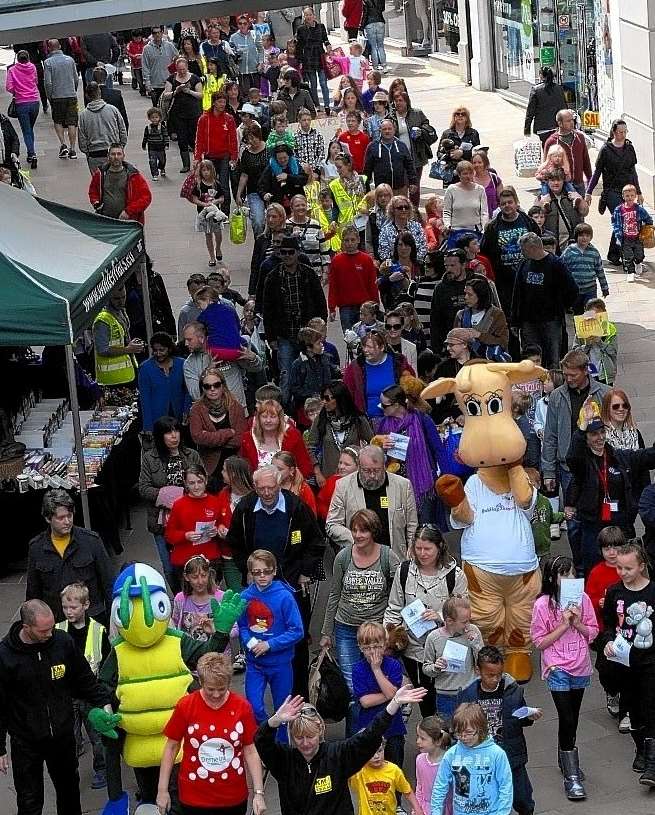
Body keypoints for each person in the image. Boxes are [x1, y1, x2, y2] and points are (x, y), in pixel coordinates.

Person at [0, 599, 115, 815]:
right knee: (29, 802)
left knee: (70, 795)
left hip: (62, 737)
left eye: (52, 627)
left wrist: (105, 703)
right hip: (26, 742)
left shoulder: (62, 642)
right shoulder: (5, 656)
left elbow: (84, 679)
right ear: (27, 628)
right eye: (44, 630)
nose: (50, 634)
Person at [226, 464, 324, 697]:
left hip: (291, 585)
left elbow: (316, 542)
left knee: (297, 641)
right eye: (262, 489)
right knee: (259, 632)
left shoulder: (296, 507)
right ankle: (265, 692)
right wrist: (247, 568)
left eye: (272, 488)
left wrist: (305, 571)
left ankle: (300, 698)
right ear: (255, 488)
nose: (267, 493)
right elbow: (235, 543)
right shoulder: (246, 508)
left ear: (280, 484)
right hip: (258, 586)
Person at [255, 687, 426, 815]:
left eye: (310, 737)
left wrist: (394, 704)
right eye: (299, 738)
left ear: (321, 730)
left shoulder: (337, 754)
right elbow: (261, 741)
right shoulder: (283, 760)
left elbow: (369, 736)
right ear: (291, 735)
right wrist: (275, 719)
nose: (306, 743)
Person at [320, 510, 401, 732]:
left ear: (373, 531)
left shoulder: (387, 556)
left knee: (379, 680)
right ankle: (354, 739)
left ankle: (380, 733)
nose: (357, 534)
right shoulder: (343, 557)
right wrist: (327, 632)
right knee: (352, 687)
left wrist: (393, 629)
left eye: (363, 530)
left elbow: (398, 592)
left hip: (376, 633)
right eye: (354, 529)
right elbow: (334, 594)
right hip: (346, 627)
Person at [157, 652, 265, 815]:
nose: (216, 695)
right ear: (200, 682)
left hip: (233, 797)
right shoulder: (185, 706)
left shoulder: (242, 707)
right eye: (210, 689)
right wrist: (162, 790)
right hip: (194, 797)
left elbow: (250, 750)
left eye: (222, 689)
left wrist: (259, 793)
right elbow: (171, 747)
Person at [530, 554, 598, 800]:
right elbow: (539, 641)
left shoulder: (584, 599)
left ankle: (565, 756)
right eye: (563, 574)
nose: (569, 579)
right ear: (552, 578)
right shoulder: (542, 605)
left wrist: (577, 623)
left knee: (573, 717)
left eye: (572, 574)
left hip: (580, 665)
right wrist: (563, 624)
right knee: (566, 716)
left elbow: (593, 632)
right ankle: (572, 776)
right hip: (556, 667)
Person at [384, 525, 468, 715]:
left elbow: (464, 614)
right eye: (418, 548)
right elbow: (395, 607)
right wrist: (388, 634)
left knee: (450, 702)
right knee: (426, 703)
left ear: (439, 547)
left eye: (427, 549)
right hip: (414, 651)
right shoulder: (404, 571)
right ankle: (432, 736)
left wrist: (439, 616)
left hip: (446, 651)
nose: (422, 553)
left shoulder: (455, 575)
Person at [541, 349, 611, 575]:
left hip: (598, 464)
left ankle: (600, 565)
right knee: (573, 523)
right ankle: (580, 567)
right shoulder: (557, 397)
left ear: (585, 371)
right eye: (565, 374)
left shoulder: (604, 393)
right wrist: (548, 471)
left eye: (572, 375)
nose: (568, 379)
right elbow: (550, 435)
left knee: (600, 517)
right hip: (568, 468)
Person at [565, 402, 655, 575]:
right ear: (586, 438)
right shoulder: (582, 463)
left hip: (621, 525)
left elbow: (645, 456)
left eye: (601, 432)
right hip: (594, 528)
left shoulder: (618, 457)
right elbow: (572, 457)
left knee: (626, 571)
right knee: (595, 572)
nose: (599, 437)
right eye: (593, 434)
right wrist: (581, 429)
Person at [456, 646, 541, 815]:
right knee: (488, 798)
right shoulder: (467, 693)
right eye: (490, 675)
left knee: (522, 796)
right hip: (481, 756)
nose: (495, 679)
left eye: (499, 674)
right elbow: (460, 723)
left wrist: (529, 717)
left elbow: (519, 715)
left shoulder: (513, 689)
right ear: (478, 671)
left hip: (511, 753)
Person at [599, 542, 655, 785]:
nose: (623, 573)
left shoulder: (653, 591)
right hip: (625, 661)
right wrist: (608, 640)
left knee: (650, 706)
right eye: (619, 568)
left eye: (628, 568)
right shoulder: (614, 592)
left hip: (651, 661)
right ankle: (640, 749)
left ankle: (652, 762)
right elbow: (609, 624)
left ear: (641, 566)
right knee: (632, 709)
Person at [238, 549, 303, 734]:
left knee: (283, 710)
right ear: (250, 573)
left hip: (281, 663)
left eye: (266, 571)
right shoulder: (245, 597)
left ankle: (281, 747)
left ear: (274, 571)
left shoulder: (285, 596)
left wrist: (270, 644)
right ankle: (266, 736)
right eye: (257, 572)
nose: (262, 576)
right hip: (255, 663)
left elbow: (297, 630)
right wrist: (251, 644)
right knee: (254, 706)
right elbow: (242, 626)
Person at [25, 489, 113, 625]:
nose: (67, 521)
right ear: (48, 518)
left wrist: (113, 619)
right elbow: (33, 592)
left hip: (91, 619)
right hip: (57, 622)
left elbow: (108, 583)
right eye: (61, 518)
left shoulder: (91, 541)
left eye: (70, 515)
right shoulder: (37, 548)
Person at [56, 582, 111, 789]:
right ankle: (69, 771)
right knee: (70, 737)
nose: (68, 612)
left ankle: (101, 769)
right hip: (66, 695)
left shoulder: (98, 631)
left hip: (91, 694)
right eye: (65, 607)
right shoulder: (58, 631)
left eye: (73, 607)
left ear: (86, 605)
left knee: (97, 738)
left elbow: (106, 663)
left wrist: (105, 693)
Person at [261, 235, 327, 405]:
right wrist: (271, 337)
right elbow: (267, 310)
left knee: (312, 370)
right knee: (286, 374)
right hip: (285, 335)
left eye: (291, 252)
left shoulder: (308, 273)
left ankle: (311, 407)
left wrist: (320, 329)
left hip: (308, 335)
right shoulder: (273, 277)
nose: (287, 255)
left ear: (298, 253)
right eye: (283, 252)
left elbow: (320, 301)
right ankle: (285, 409)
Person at [138, 416, 201, 593]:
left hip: (189, 521)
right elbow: (143, 488)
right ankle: (179, 598)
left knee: (192, 566)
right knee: (169, 568)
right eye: (168, 432)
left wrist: (184, 498)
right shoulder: (150, 458)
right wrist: (167, 495)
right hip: (161, 523)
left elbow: (204, 482)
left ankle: (193, 598)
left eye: (176, 430)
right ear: (160, 436)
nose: (174, 436)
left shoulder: (192, 455)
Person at [326, 444, 418, 557]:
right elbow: (332, 524)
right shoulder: (343, 486)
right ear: (359, 467)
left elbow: (412, 526)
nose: (373, 475)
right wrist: (356, 538)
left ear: (384, 466)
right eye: (367, 471)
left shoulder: (403, 485)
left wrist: (411, 554)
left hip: (395, 558)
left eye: (377, 470)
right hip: (359, 559)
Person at [431, 703, 513, 815]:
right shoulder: (451, 754)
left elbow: (506, 787)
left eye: (469, 733)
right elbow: (440, 787)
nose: (464, 737)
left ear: (481, 729)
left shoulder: (497, 754)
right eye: (459, 733)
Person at [511, 232, 578, 369]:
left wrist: (561, 307)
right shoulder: (524, 264)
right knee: (530, 357)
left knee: (553, 357)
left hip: (551, 320)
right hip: (528, 321)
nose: (521, 253)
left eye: (523, 250)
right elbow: (517, 293)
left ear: (532, 248)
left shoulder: (555, 264)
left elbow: (572, 289)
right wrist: (515, 320)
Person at [377, 383, 443, 516]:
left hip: (423, 483)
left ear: (396, 405)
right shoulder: (383, 424)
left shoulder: (422, 419)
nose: (380, 407)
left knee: (426, 526)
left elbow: (438, 449)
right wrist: (381, 448)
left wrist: (443, 476)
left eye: (384, 405)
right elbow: (377, 454)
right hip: (396, 485)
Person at [586, 119, 641, 264]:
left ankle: (614, 252)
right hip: (611, 191)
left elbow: (633, 172)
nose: (623, 135)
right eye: (620, 132)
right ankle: (624, 253)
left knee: (624, 221)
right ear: (614, 132)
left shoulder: (629, 148)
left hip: (627, 191)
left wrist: (639, 192)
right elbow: (597, 172)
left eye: (625, 131)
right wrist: (589, 191)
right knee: (622, 218)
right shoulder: (606, 149)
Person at [480, 186, 540, 317]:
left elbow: (539, 244)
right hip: (504, 281)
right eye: (503, 203)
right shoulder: (492, 227)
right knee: (509, 315)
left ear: (516, 202)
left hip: (528, 276)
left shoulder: (527, 221)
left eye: (510, 202)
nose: (507, 206)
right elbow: (484, 252)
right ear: (499, 206)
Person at [423, 596, 484, 721]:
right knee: (449, 734)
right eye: (464, 622)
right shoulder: (434, 638)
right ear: (449, 621)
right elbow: (426, 668)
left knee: (471, 731)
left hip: (469, 691)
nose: (467, 625)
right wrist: (436, 667)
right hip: (445, 695)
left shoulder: (473, 631)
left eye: (469, 620)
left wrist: (476, 645)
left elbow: (483, 662)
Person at [164, 464, 225, 579]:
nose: (196, 487)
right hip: (185, 559)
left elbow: (221, 524)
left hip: (209, 557)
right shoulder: (179, 505)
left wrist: (216, 530)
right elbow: (169, 535)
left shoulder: (216, 502)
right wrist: (185, 535)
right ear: (186, 484)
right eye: (192, 483)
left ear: (206, 481)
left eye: (200, 481)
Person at [189, 366, 247, 486]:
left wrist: (210, 439)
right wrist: (228, 433)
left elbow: (239, 440)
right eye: (207, 386)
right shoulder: (196, 410)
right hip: (209, 466)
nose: (212, 389)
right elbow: (198, 438)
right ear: (202, 388)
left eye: (216, 385)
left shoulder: (236, 407)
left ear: (223, 385)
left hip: (234, 464)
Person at [342, 332, 414, 419]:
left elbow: (412, 387)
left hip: (397, 419)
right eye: (364, 346)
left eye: (370, 347)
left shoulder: (399, 362)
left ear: (382, 347)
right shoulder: (355, 367)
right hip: (368, 422)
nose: (365, 350)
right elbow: (345, 395)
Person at [350, 733, 421, 815]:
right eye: (371, 752)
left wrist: (417, 808)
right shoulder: (359, 771)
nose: (376, 756)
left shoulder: (394, 770)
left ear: (384, 747)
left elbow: (407, 791)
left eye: (379, 750)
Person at [240, 398, 313, 477]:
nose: (268, 420)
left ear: (280, 418)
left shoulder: (293, 435)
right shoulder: (247, 438)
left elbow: (304, 466)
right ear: (258, 418)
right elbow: (244, 469)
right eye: (264, 416)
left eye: (273, 416)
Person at [193, 91, 238, 216]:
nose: (222, 104)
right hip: (209, 157)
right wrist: (197, 157)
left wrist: (233, 157)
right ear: (214, 103)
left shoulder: (229, 119)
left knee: (223, 184)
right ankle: (209, 210)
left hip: (224, 157)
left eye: (224, 102)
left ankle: (225, 213)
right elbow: (199, 139)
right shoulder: (204, 119)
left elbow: (233, 139)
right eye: (219, 102)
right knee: (207, 184)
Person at [328, 225, 379, 332]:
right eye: (346, 240)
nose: (350, 243)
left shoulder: (366, 259)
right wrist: (331, 307)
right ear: (342, 241)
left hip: (364, 306)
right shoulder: (337, 261)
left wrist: (375, 305)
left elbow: (372, 284)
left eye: (352, 240)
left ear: (358, 240)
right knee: (350, 338)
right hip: (345, 307)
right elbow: (333, 285)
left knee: (367, 336)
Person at [88, 143, 152, 225]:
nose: (116, 157)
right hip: (105, 220)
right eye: (113, 154)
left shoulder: (134, 176)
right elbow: (93, 191)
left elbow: (146, 197)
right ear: (108, 156)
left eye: (119, 154)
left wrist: (128, 212)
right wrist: (96, 202)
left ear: (123, 156)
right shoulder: (100, 175)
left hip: (128, 222)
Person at [137, 332, 186, 433]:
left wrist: (187, 410)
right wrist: (148, 427)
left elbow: (188, 391)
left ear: (169, 349)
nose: (158, 354)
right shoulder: (145, 368)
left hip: (180, 416)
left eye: (162, 350)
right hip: (157, 419)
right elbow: (144, 399)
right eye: (155, 350)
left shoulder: (182, 364)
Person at [161, 56, 202, 173]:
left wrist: (189, 91)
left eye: (183, 69)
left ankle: (197, 163)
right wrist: (176, 91)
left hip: (193, 113)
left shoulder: (195, 78)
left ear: (187, 68)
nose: (182, 72)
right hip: (178, 114)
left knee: (194, 138)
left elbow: (200, 95)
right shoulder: (172, 79)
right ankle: (186, 165)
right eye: (179, 70)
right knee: (182, 139)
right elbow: (165, 95)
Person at [561, 223, 610, 313]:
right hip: (575, 291)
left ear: (591, 237)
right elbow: (561, 270)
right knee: (578, 313)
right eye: (581, 235)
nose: (584, 238)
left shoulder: (594, 252)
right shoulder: (569, 251)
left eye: (587, 236)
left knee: (591, 312)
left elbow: (600, 271)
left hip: (590, 289)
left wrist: (604, 288)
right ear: (576, 237)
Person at [43, 39, 79, 160]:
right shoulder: (70, 60)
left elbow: (48, 83)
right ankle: (73, 149)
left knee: (58, 121)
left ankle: (63, 144)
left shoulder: (48, 63)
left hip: (57, 96)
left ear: (49, 48)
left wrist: (50, 96)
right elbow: (76, 78)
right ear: (59, 46)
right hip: (71, 94)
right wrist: (73, 89)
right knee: (72, 122)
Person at [543, 108, 593, 196]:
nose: (572, 123)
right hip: (562, 187)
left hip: (579, 185)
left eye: (572, 120)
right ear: (560, 123)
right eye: (568, 121)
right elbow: (546, 166)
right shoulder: (551, 141)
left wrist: (590, 184)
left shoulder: (579, 137)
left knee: (582, 209)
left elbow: (586, 161)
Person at [454, 275, 509, 354]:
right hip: (467, 362)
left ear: (481, 296)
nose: (465, 297)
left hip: (489, 363)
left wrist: (480, 335)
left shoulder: (496, 315)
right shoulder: (461, 315)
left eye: (470, 294)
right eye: (465, 293)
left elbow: (503, 343)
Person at [363, 119, 417, 196]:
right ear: (380, 130)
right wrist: (366, 187)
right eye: (384, 129)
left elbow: (410, 165)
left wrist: (413, 182)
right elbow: (367, 169)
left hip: (400, 189)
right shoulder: (373, 147)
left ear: (394, 130)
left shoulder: (401, 145)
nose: (387, 131)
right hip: (382, 190)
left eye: (389, 129)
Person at [611, 183, 653, 280]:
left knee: (639, 255)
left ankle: (638, 263)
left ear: (635, 196)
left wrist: (646, 227)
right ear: (623, 196)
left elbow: (648, 219)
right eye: (627, 196)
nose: (629, 198)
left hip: (637, 237)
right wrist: (618, 233)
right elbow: (615, 222)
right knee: (627, 256)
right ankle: (630, 272)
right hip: (625, 238)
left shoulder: (639, 209)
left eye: (632, 196)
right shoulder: (619, 209)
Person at [6, 49, 40, 168]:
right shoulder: (33, 67)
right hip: (35, 101)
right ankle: (31, 151)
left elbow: (9, 87)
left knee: (26, 130)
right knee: (30, 128)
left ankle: (32, 154)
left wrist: (17, 91)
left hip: (21, 103)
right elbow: (35, 81)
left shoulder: (12, 70)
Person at [442, 160, 488, 246]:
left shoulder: (480, 189)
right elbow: (446, 211)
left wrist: (484, 229)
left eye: (471, 173)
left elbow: (484, 212)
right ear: (459, 175)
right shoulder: (451, 189)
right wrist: (447, 225)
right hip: (456, 232)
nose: (468, 176)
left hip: (475, 231)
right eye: (465, 173)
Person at [295, 6, 331, 114]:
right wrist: (300, 61)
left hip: (320, 55)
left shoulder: (321, 26)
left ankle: (327, 105)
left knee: (323, 82)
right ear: (304, 16)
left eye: (310, 14)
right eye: (306, 15)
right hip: (308, 57)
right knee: (313, 84)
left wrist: (328, 45)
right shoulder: (301, 29)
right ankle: (317, 105)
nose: (308, 17)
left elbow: (325, 39)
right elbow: (299, 46)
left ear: (314, 15)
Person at [235, 121, 268, 237]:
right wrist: (239, 194)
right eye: (249, 139)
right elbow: (244, 175)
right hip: (254, 191)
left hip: (270, 190)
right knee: (258, 221)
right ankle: (259, 244)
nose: (252, 142)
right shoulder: (246, 154)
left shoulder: (269, 150)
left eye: (254, 138)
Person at [436, 106, 481, 186]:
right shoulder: (447, 133)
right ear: (454, 117)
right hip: (450, 172)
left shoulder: (473, 133)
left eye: (463, 114)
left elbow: (478, 153)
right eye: (457, 114)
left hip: (468, 172)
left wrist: (462, 153)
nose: (460, 116)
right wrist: (451, 154)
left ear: (467, 118)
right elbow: (439, 153)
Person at [524, 66, 568, 145]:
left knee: (546, 150)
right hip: (557, 126)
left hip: (542, 128)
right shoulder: (559, 88)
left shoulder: (536, 90)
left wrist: (527, 130)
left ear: (541, 76)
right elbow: (564, 108)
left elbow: (530, 112)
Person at [258, 143, 309, 212]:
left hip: (295, 203)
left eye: (285, 158)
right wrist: (264, 194)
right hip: (278, 203)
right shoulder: (270, 168)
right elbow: (261, 186)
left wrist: (288, 177)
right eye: (279, 158)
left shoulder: (295, 164)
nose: (282, 160)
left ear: (289, 156)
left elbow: (304, 179)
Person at [378, 194, 427, 262]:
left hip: (415, 265)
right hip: (394, 268)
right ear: (393, 210)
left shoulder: (417, 227)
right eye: (400, 207)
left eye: (406, 207)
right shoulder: (385, 231)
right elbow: (383, 254)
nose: (403, 209)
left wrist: (411, 262)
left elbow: (423, 248)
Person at [142, 26, 178, 107]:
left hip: (169, 83)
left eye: (159, 32)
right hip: (155, 85)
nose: (157, 35)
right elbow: (145, 67)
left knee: (170, 109)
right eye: (155, 33)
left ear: (162, 33)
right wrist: (147, 83)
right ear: (152, 35)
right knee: (157, 111)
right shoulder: (147, 49)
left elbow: (178, 58)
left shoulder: (169, 46)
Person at [229, 15, 264, 95]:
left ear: (248, 24)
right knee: (245, 94)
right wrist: (237, 54)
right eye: (240, 23)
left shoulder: (255, 34)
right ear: (237, 25)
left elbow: (261, 49)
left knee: (255, 93)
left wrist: (261, 62)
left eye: (245, 23)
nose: (242, 26)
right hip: (242, 71)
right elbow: (231, 54)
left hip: (255, 69)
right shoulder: (233, 37)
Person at [471, 151, 503, 219]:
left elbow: (502, 199)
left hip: (495, 219)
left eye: (479, 162)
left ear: (485, 163)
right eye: (474, 163)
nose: (477, 165)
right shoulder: (469, 180)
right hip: (476, 220)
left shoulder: (494, 178)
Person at [141, 106, 169, 181]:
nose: (154, 119)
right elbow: (145, 137)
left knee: (162, 160)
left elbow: (165, 136)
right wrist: (144, 144)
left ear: (160, 118)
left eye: (156, 117)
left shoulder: (162, 127)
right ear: (149, 118)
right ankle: (155, 174)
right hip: (152, 148)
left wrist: (166, 144)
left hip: (161, 147)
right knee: (152, 161)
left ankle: (162, 168)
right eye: (152, 117)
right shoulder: (148, 128)